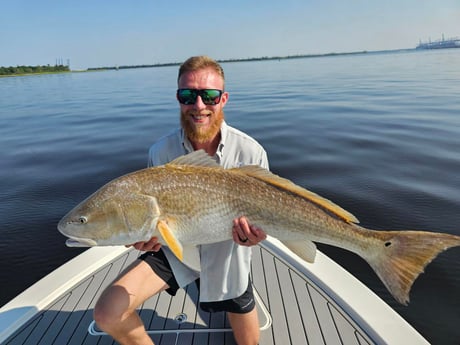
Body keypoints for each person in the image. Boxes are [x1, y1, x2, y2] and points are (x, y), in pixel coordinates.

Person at [94, 56, 269, 345]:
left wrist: (253, 237)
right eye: (188, 95)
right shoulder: (161, 151)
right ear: (178, 99)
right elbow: (154, 218)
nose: (199, 106)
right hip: (177, 248)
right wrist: (148, 237)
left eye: (209, 96)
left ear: (223, 99)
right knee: (107, 313)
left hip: (228, 252)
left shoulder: (250, 152)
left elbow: (265, 216)